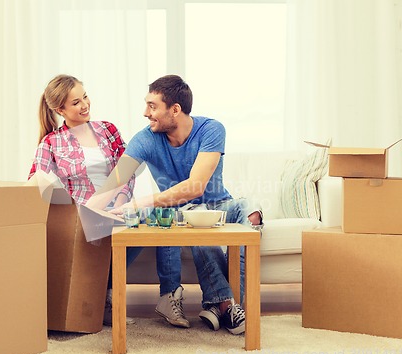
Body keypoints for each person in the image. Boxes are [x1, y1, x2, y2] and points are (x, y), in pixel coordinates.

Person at [87, 75, 263, 335]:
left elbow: (195, 186)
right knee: (194, 215)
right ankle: (227, 306)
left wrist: (141, 202)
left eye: (152, 106)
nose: (146, 113)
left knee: (251, 209)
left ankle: (220, 305)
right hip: (184, 216)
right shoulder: (145, 139)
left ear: (175, 109)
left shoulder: (211, 130)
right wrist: (86, 210)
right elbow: (117, 179)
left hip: (219, 208)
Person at [28, 74, 143, 326]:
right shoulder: (51, 143)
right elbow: (36, 183)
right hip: (81, 215)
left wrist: (122, 202)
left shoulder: (107, 130)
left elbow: (128, 171)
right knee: (95, 230)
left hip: (117, 209)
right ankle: (103, 299)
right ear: (60, 109)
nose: (85, 105)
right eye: (76, 103)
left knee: (143, 226)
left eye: (85, 97)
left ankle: (106, 295)